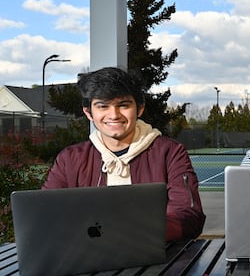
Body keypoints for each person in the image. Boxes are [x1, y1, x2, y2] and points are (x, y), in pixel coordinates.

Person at [43, 67, 205, 242]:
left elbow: (189, 216)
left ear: (140, 108)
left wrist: (134, 232)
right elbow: (45, 212)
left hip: (155, 258)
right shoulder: (70, 158)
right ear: (88, 112)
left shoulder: (170, 152)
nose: (114, 115)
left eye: (123, 105)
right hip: (86, 259)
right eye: (103, 106)